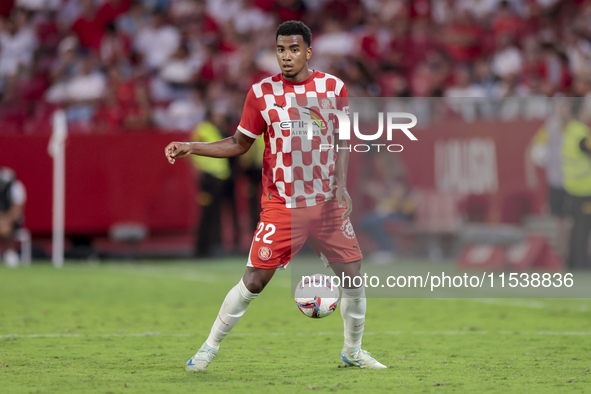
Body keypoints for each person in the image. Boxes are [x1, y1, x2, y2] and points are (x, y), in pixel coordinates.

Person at [165, 21, 386, 370]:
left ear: (308, 51)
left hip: (326, 204)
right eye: (281, 49)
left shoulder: (333, 88)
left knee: (354, 278)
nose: (286, 56)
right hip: (283, 206)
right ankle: (208, 348)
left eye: (294, 49)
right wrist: (192, 146)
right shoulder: (262, 93)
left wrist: (341, 185)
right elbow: (239, 143)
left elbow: (343, 141)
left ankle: (353, 352)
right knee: (253, 281)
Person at [562, 98, 591, 270]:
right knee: (583, 228)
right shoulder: (581, 132)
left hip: (573, 187)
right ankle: (581, 264)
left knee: (577, 227)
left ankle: (573, 262)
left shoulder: (570, 130)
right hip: (584, 188)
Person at [0, 167, 26, 267]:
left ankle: (10, 253)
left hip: (12, 221)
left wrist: (4, 220)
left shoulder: (16, 187)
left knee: (5, 228)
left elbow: (16, 210)